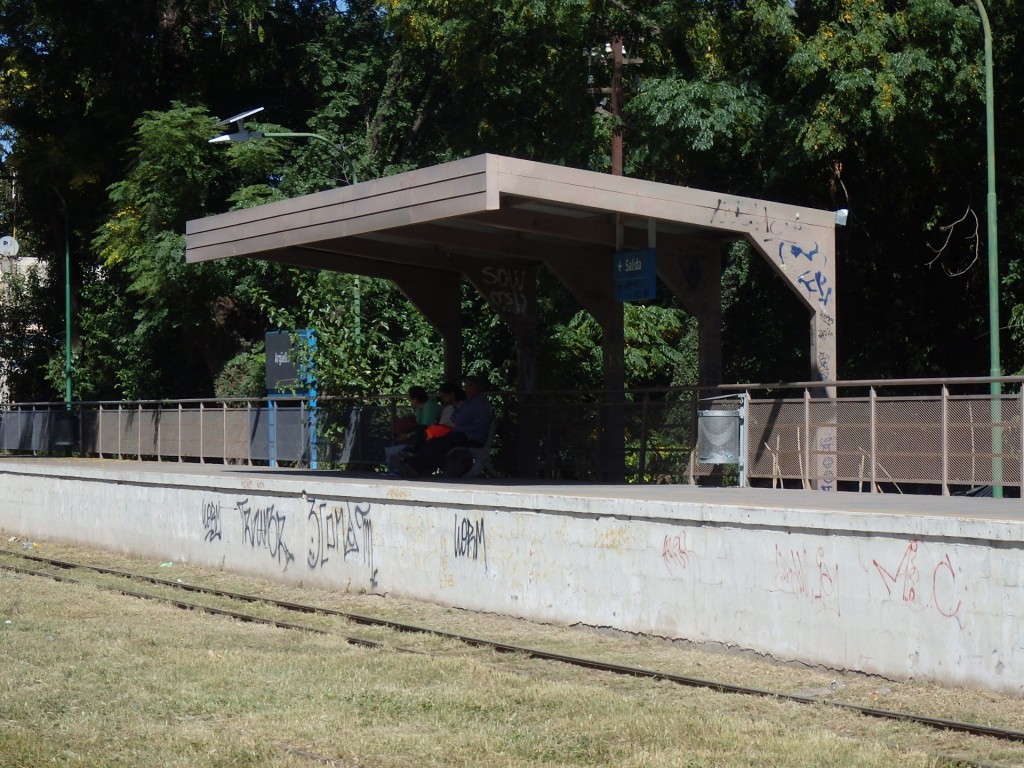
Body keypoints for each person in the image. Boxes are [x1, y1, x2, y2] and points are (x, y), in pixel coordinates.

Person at [400, 376, 491, 477]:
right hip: (463, 435)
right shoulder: (471, 402)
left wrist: (457, 413)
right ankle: (414, 466)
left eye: (468, 386)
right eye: (465, 386)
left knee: (436, 444)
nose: (465, 389)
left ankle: (415, 468)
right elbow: (456, 416)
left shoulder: (477, 403)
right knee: (434, 442)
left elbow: (457, 418)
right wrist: (458, 414)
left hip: (470, 437)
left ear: (476, 387)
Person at [384, 385, 441, 472]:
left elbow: (425, 427)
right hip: (424, 434)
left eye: (410, 399)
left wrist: (408, 436)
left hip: (433, 434)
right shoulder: (419, 409)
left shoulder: (430, 406)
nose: (410, 402)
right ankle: (407, 454)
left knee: (421, 428)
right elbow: (418, 425)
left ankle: (410, 449)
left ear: (415, 399)